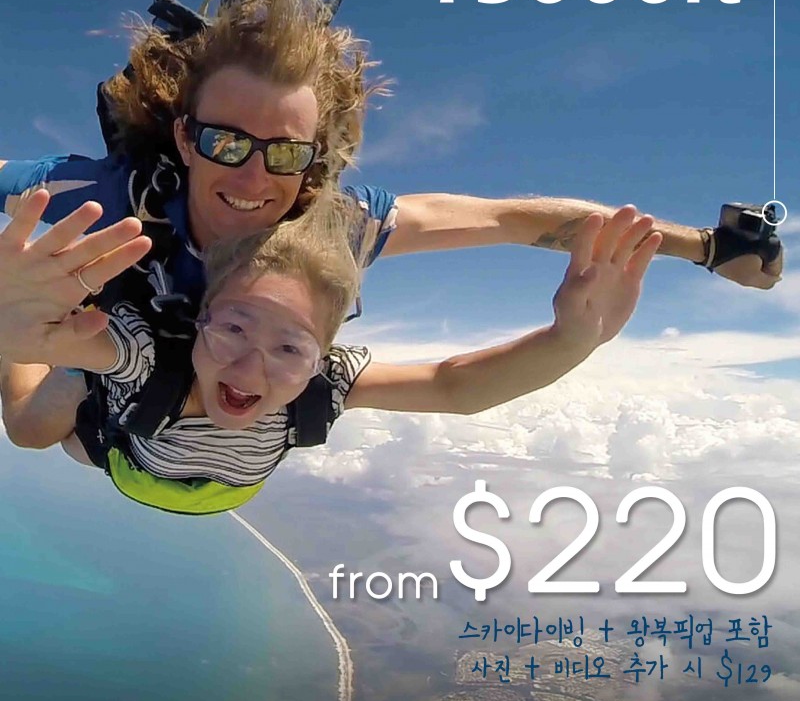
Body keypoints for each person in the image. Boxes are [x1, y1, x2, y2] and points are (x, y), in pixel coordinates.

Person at [0, 0, 783, 389]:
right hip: (108, 356)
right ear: (182, 138)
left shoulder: (336, 225)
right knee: (37, 423)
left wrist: (710, 248)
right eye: (226, 143)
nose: (252, 178)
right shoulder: (91, 198)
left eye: (285, 154)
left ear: (314, 161)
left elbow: (514, 220)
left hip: (234, 381)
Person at [1, 190, 662, 515]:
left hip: (187, 476)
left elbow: (452, 385)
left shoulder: (327, 382)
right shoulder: (146, 352)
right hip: (124, 449)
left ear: (323, 353)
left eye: (289, 346)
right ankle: (81, 356)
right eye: (233, 330)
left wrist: (571, 340)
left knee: (65, 394)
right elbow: (26, 339)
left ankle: (79, 351)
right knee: (34, 429)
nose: (249, 368)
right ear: (199, 320)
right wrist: (20, 315)